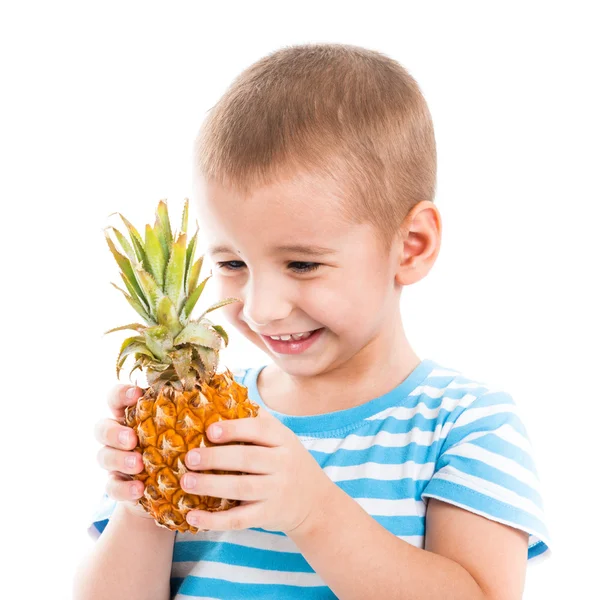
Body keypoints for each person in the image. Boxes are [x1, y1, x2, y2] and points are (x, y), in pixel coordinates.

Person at [74, 42, 552, 600]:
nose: (260, 307)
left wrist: (313, 512)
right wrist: (143, 504)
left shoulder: (467, 424)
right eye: (232, 264)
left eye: (302, 263)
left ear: (412, 246)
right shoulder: (209, 422)